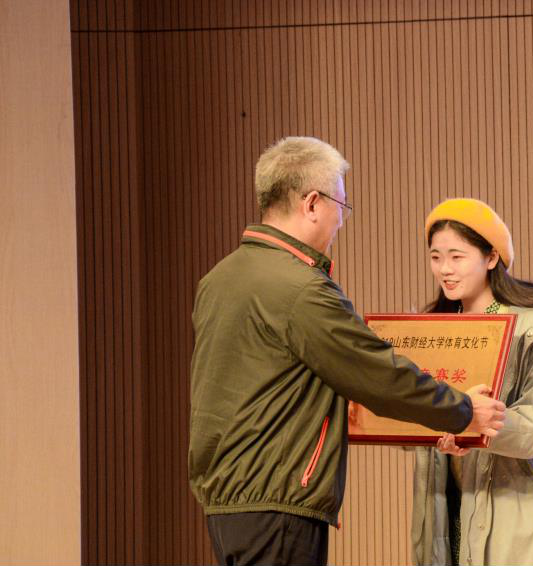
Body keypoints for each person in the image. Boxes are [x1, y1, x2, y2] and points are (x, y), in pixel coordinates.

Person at [188, 137, 506, 566]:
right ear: (312, 204)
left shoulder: (219, 279)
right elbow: (379, 375)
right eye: (342, 206)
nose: (341, 221)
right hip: (277, 497)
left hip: (227, 499)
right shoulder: (300, 288)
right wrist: (464, 411)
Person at [410, 198, 533, 565]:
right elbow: (414, 423)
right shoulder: (433, 333)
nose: (444, 269)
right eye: (436, 257)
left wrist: (469, 420)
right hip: (455, 513)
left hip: (529, 526)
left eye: (457, 256)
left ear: (491, 257)